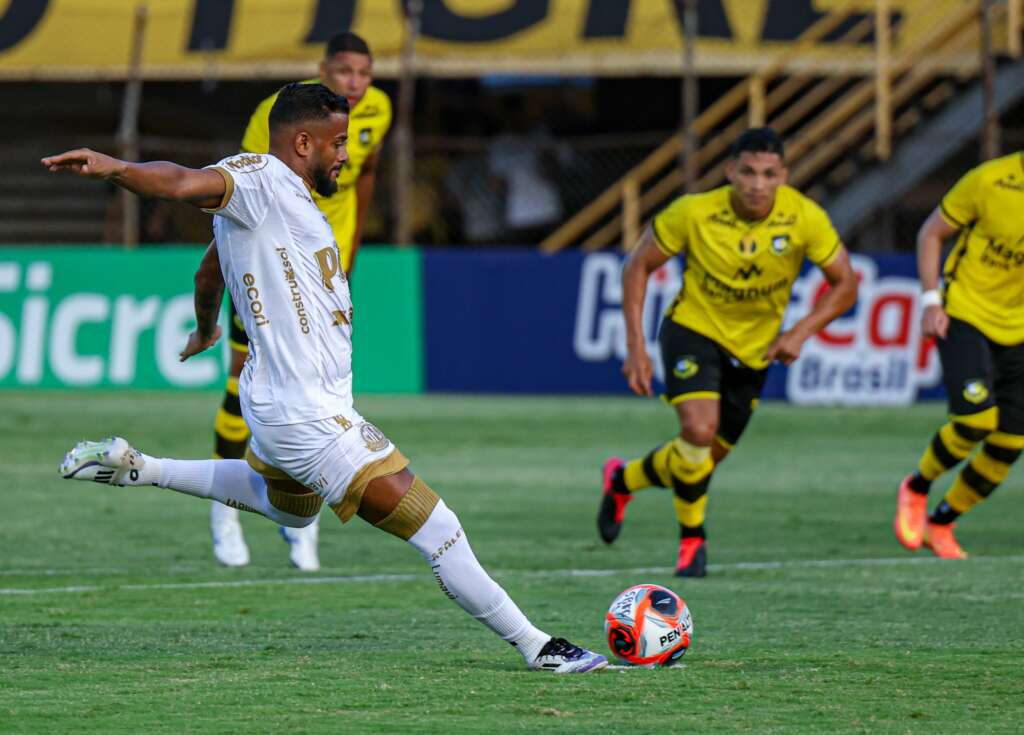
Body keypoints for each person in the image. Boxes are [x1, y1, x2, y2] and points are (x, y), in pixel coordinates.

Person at [48, 83, 606, 674]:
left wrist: (206, 327)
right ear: (303, 140)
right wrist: (116, 168)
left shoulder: (282, 204)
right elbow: (184, 182)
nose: (346, 154)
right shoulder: (259, 177)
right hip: (307, 411)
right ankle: (539, 646)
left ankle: (141, 468)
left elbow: (209, 270)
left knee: (292, 512)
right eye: (338, 142)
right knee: (438, 529)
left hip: (284, 404)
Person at [596, 128, 858, 577]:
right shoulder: (694, 212)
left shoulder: (805, 218)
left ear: (784, 176)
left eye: (769, 174)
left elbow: (846, 283)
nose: (758, 184)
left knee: (702, 457)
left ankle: (625, 479)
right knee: (698, 430)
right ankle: (692, 542)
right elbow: (638, 264)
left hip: (755, 353)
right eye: (748, 172)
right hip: (692, 330)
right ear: (730, 172)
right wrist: (635, 344)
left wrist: (800, 331)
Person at [210, 31, 392, 571]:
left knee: (319, 396)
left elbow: (367, 175)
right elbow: (248, 188)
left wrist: (348, 253)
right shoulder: (275, 113)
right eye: (345, 72)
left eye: (364, 72)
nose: (356, 84)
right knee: (242, 385)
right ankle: (226, 513)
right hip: (269, 272)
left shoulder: (377, 111)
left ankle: (302, 519)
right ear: (324, 69)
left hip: (326, 278)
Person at [893, 153, 1024, 559]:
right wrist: (932, 301)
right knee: (975, 420)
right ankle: (916, 487)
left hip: (1018, 328)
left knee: (1011, 441)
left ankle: (943, 522)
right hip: (965, 313)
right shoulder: (989, 180)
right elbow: (931, 233)